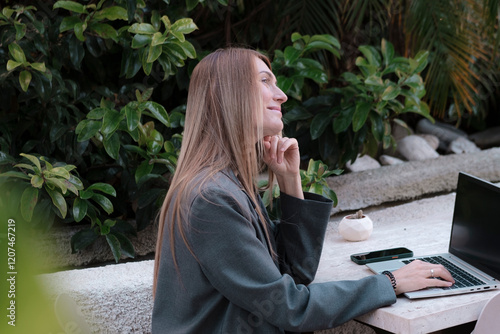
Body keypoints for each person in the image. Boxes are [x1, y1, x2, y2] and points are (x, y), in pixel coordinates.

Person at [151, 48, 455, 333]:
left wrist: (290, 182)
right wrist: (391, 282)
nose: (281, 95)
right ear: (229, 95)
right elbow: (288, 306)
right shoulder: (210, 198)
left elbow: (294, 272)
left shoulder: (228, 184)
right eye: (265, 81)